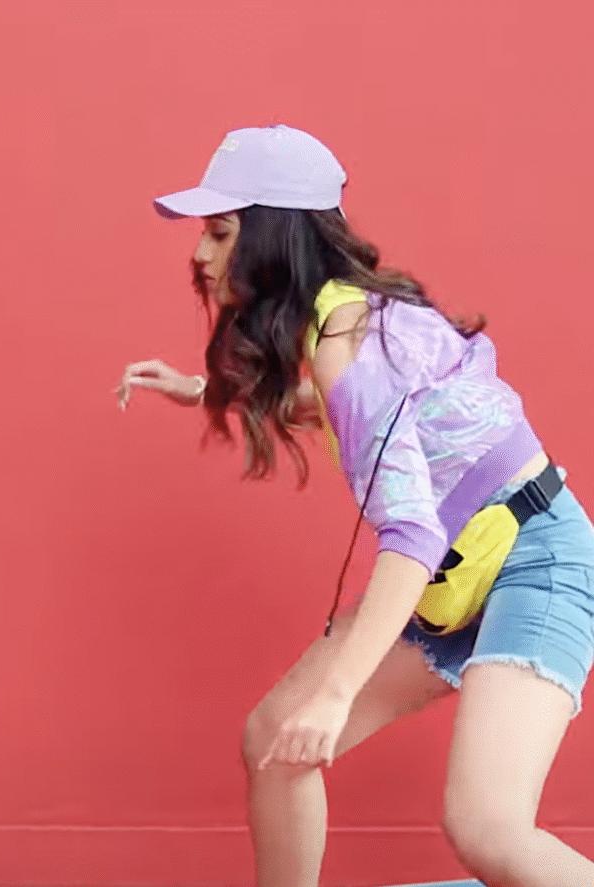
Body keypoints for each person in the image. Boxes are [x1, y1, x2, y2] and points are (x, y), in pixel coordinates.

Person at [117, 125, 594, 887]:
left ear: (273, 234)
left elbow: (412, 533)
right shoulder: (338, 319)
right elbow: (351, 411)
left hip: (531, 560)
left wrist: (336, 696)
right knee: (276, 737)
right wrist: (209, 389)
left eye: (219, 232)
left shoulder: (351, 337)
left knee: (489, 830)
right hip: (455, 570)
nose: (201, 255)